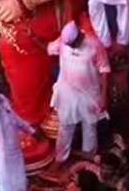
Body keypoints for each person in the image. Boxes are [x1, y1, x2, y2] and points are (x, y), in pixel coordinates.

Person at [48, 21, 110, 163]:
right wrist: (34, 38)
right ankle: (60, 159)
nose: (71, 47)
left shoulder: (94, 45)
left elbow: (105, 70)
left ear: (80, 36)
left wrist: (103, 96)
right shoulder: (63, 42)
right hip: (67, 94)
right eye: (69, 45)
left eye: (74, 44)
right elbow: (49, 48)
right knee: (65, 127)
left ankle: (88, 161)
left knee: (89, 128)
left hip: (89, 94)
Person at [0, 78, 34, 191]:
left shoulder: (2, 100)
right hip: (1, 150)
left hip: (13, 147)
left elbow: (14, 118)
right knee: (6, 183)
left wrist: (30, 130)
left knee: (19, 181)